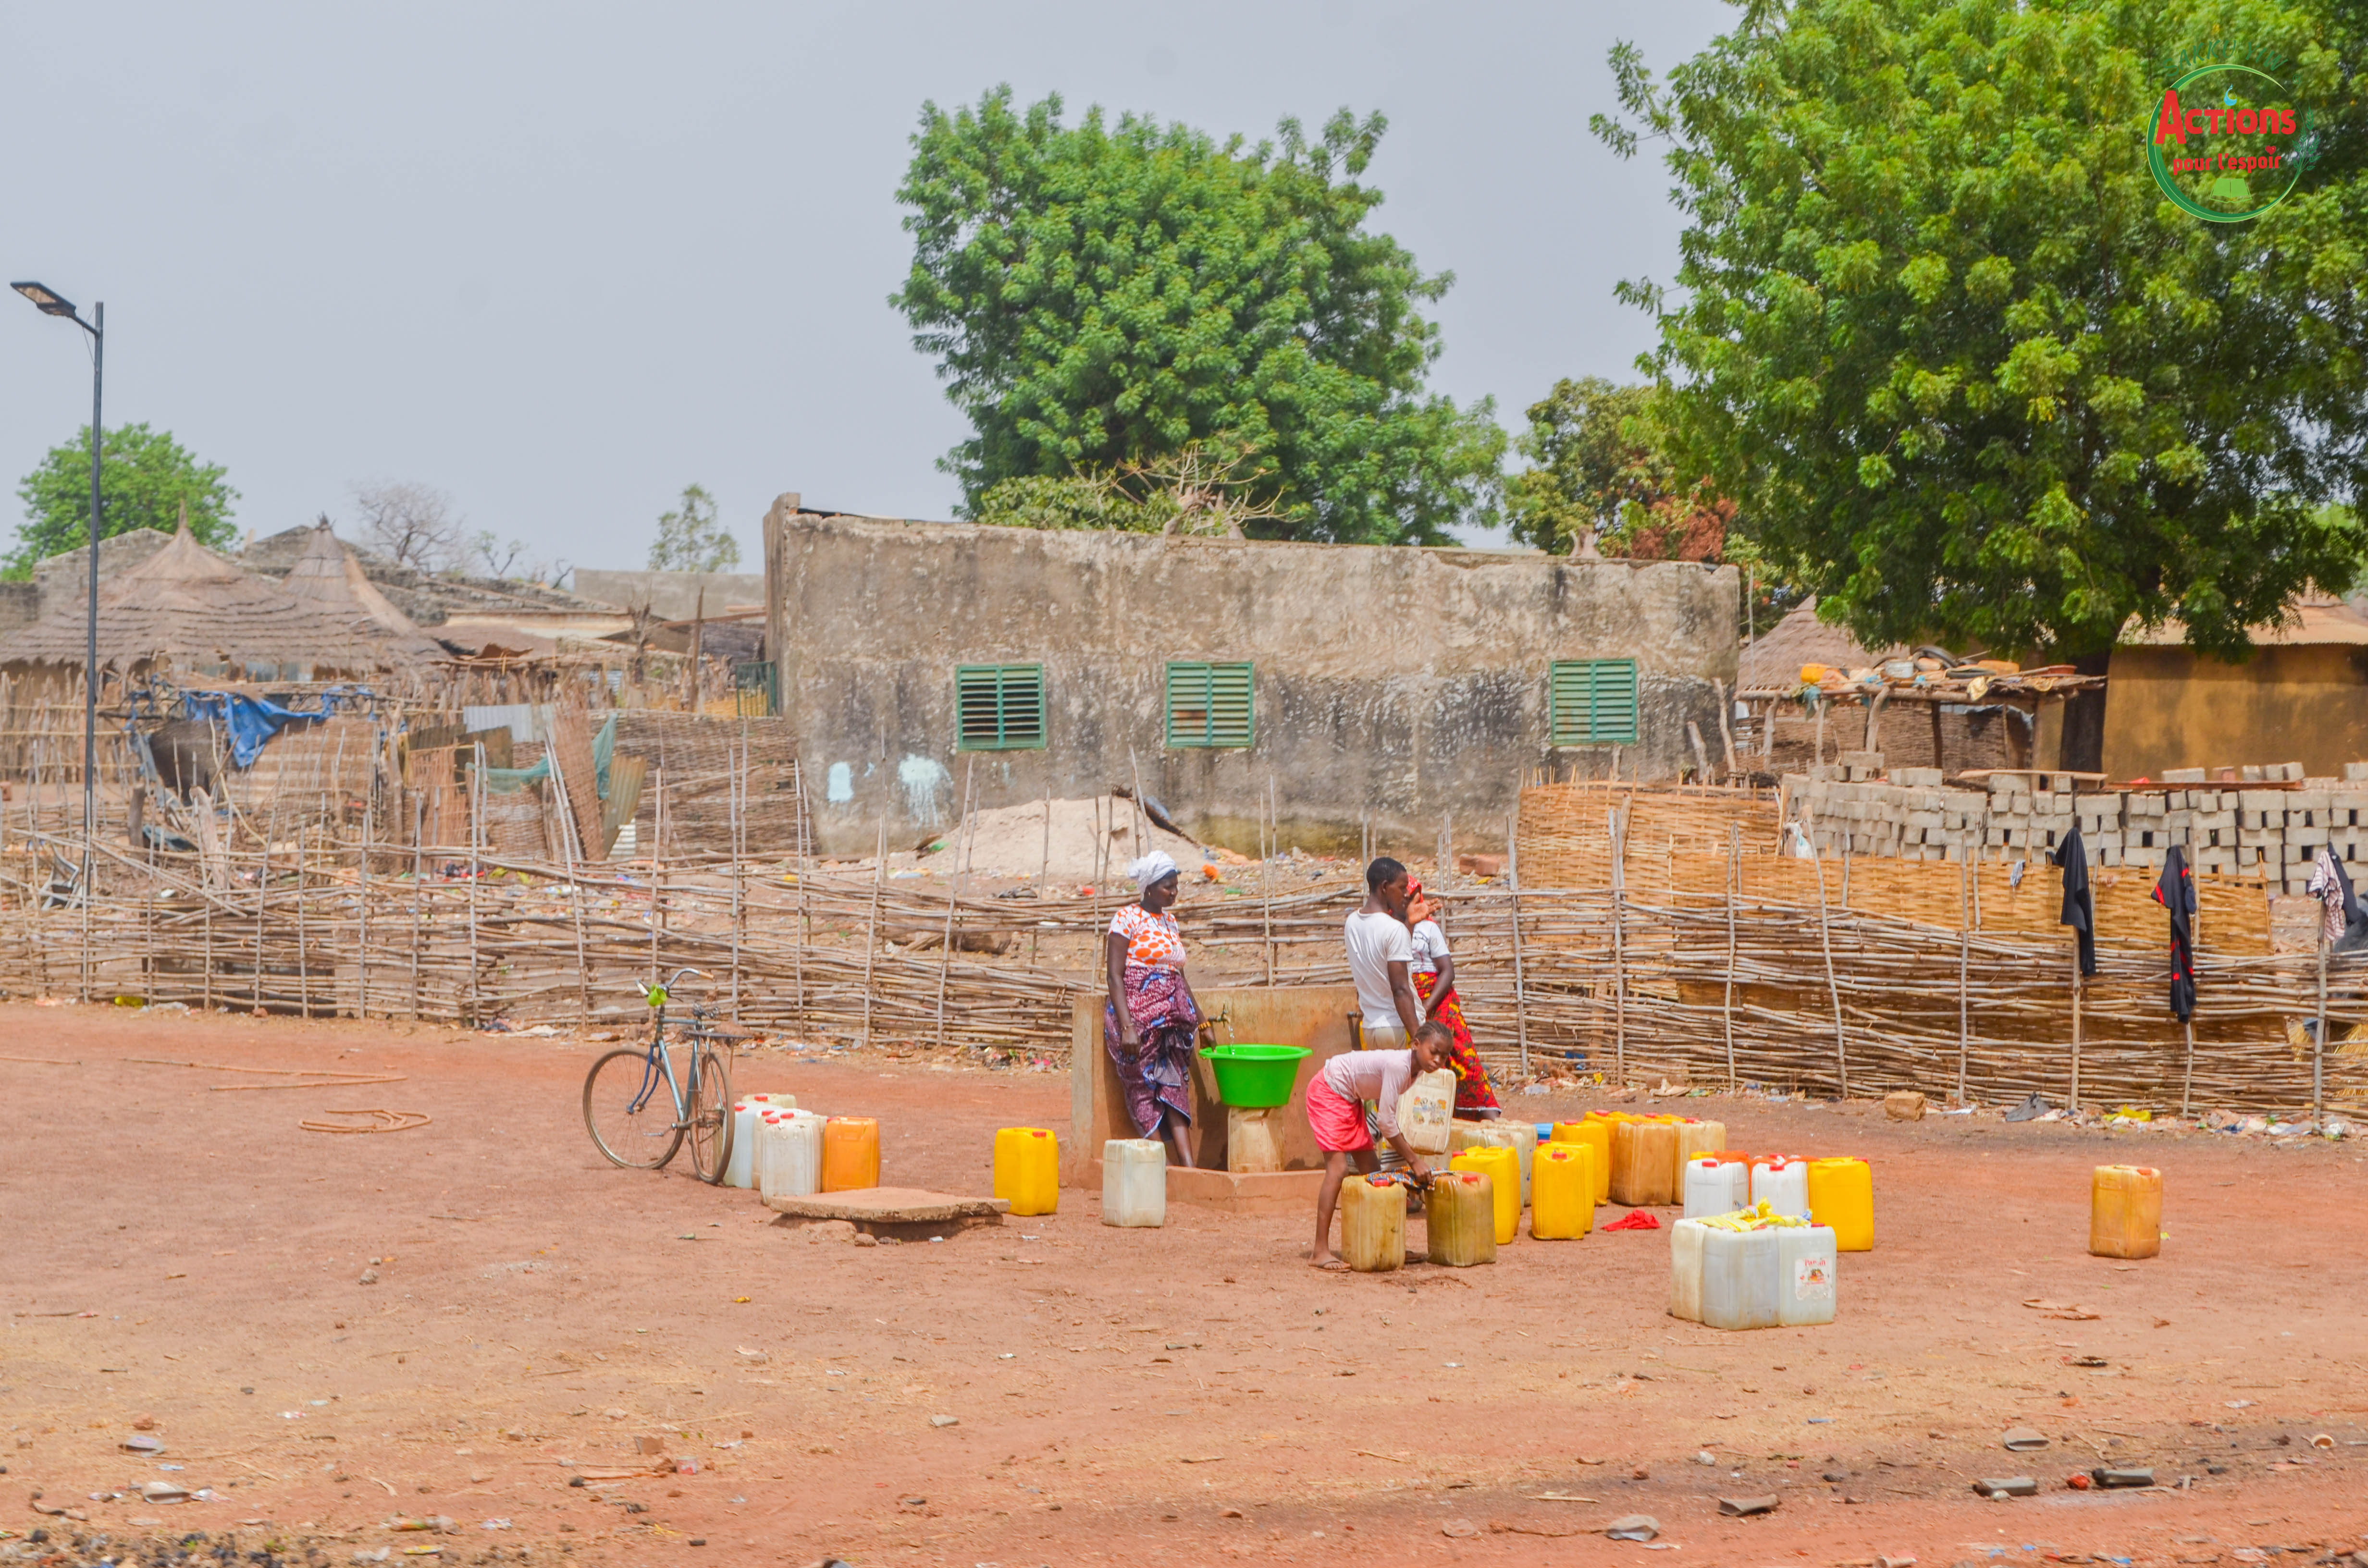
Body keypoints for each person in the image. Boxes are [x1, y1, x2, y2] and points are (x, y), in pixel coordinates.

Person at [1306, 1019, 1453, 1267]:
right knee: (1338, 1169)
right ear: (1416, 1044)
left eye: (1444, 1056)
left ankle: (1388, 1245)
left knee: (1374, 1174)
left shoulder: (1416, 1070)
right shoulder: (1400, 1066)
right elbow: (1385, 1122)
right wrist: (1414, 1161)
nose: (1438, 1060)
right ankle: (1319, 1251)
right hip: (1329, 1091)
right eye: (1434, 1052)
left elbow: (1380, 1098)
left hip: (1350, 1098)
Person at [1103, 850, 1201, 1170]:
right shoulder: (1126, 918)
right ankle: (1161, 1167)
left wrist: (1202, 1020)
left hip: (1173, 1023)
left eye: (1175, 886)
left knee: (1174, 1087)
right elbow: (1114, 975)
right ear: (1148, 888)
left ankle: (1188, 1168)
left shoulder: (1170, 922)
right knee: (1142, 1089)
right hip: (1138, 1020)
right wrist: (1127, 1026)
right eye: (1167, 886)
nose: (1173, 892)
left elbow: (1179, 975)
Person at [1404, 879, 1499, 1120]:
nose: (1412, 904)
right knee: (1419, 1064)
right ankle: (1432, 1121)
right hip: (1408, 1003)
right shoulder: (1392, 929)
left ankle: (1490, 1119)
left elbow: (1448, 971)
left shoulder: (1429, 929)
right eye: (1406, 900)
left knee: (1461, 1056)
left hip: (1438, 1002)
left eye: (1414, 899)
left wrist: (1426, 1008)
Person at [1344, 857, 1424, 1047]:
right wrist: (1418, 1038)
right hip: (1396, 1027)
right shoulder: (1394, 929)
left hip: (1370, 1028)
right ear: (1385, 887)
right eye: (1402, 888)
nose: (1407, 894)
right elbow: (1400, 989)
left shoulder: (1352, 923)